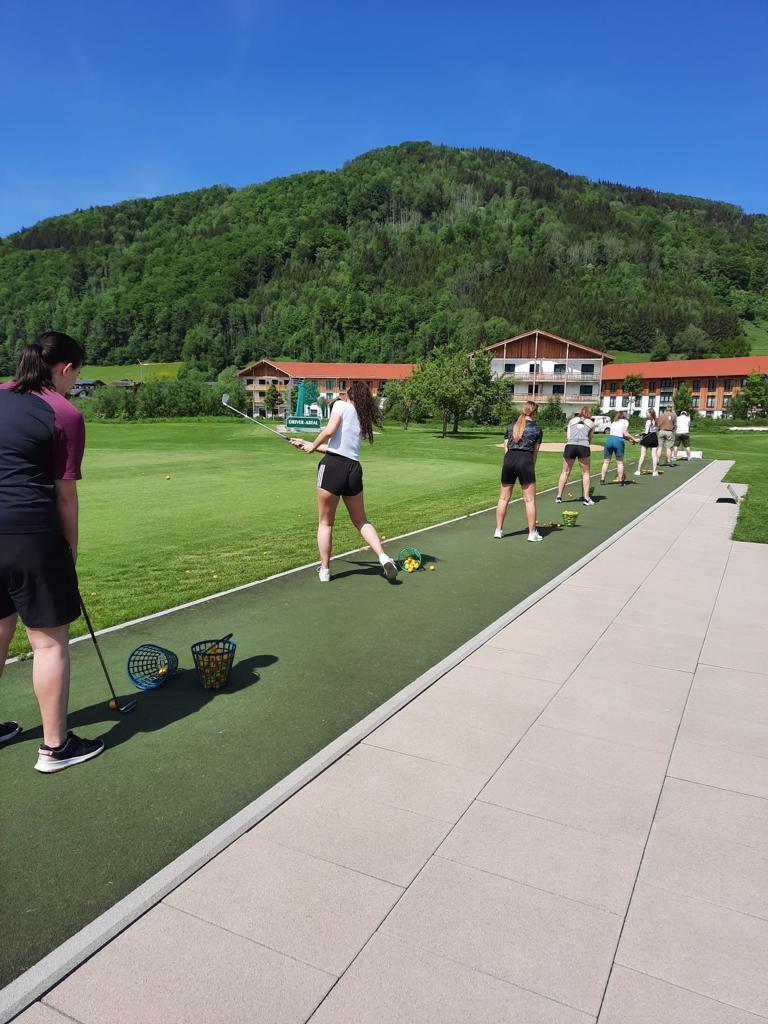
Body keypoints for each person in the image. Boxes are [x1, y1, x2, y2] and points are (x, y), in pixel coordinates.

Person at [0, 332, 105, 772]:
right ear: (65, 369)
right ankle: (56, 747)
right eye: (76, 373)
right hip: (30, 532)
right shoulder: (65, 413)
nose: (74, 381)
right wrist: (71, 550)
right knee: (47, 642)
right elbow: (65, 496)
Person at [290, 382, 398, 582]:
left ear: (348, 396)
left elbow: (329, 432)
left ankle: (324, 570)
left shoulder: (340, 405)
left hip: (332, 468)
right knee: (361, 520)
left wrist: (312, 447)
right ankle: (383, 557)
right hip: (353, 470)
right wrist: (307, 444)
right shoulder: (363, 419)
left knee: (325, 522)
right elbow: (339, 447)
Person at [495, 402, 543, 542]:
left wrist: (509, 460)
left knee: (503, 498)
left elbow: (506, 448)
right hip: (525, 460)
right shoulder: (537, 429)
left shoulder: (511, 426)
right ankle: (532, 533)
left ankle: (498, 530)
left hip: (509, 460)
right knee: (529, 499)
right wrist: (530, 465)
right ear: (535, 412)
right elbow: (535, 452)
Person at [556, 407, 595, 506]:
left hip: (570, 446)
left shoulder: (572, 421)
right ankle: (586, 498)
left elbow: (568, 437)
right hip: (583, 446)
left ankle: (559, 496)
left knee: (565, 472)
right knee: (585, 473)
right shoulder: (591, 423)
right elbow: (590, 438)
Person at [600, 409, 639, 486]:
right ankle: (621, 481)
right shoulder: (625, 422)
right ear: (624, 416)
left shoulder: (614, 421)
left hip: (609, 440)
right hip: (618, 442)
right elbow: (625, 433)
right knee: (620, 463)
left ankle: (602, 479)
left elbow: (619, 434)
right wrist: (634, 439)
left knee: (606, 462)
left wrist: (630, 440)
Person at [635, 407, 660, 477]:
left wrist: (639, 434)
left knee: (642, 455)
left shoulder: (648, 421)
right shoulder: (656, 421)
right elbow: (656, 429)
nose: (646, 414)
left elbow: (646, 432)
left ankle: (638, 470)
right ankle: (654, 472)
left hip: (648, 438)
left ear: (650, 414)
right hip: (654, 437)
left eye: (647, 413)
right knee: (654, 456)